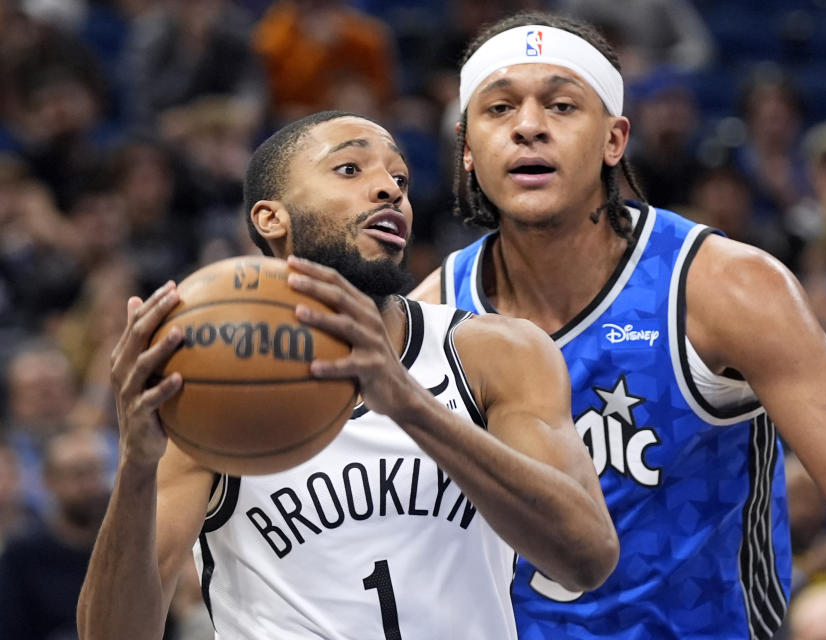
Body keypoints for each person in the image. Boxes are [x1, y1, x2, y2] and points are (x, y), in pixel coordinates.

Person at [411, 11, 826, 639]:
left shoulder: (724, 287)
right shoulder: (433, 318)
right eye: (500, 109)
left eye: (562, 106)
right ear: (467, 150)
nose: (529, 127)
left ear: (614, 140)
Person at [76, 110, 618, 639]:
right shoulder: (209, 388)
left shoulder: (495, 352)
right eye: (350, 169)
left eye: (400, 177)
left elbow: (587, 558)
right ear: (272, 217)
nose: (390, 189)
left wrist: (408, 403)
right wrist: (136, 465)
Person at [0, 428, 112, 640]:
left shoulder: (125, 550)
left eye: (98, 472)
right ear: (49, 481)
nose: (92, 486)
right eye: (79, 474)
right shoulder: (23, 555)